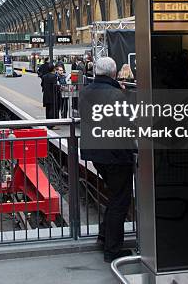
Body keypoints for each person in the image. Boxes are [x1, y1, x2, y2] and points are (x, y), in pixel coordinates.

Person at [79, 57, 135, 262]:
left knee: (115, 195)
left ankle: (104, 236)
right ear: (113, 73)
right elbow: (127, 123)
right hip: (115, 154)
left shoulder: (85, 91)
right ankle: (112, 250)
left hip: (95, 153)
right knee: (121, 200)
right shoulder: (115, 94)